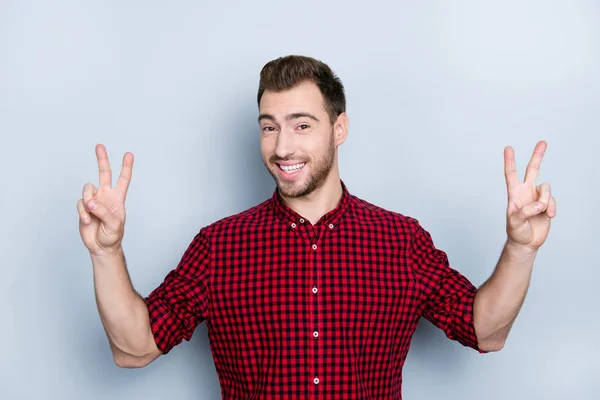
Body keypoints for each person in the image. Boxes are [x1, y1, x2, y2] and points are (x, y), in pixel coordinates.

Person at [76, 55, 556, 399]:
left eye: (302, 125)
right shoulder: (218, 246)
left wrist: (520, 248)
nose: (283, 146)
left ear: (339, 129)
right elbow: (133, 349)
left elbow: (485, 331)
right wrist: (106, 252)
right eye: (269, 126)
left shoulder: (401, 241)